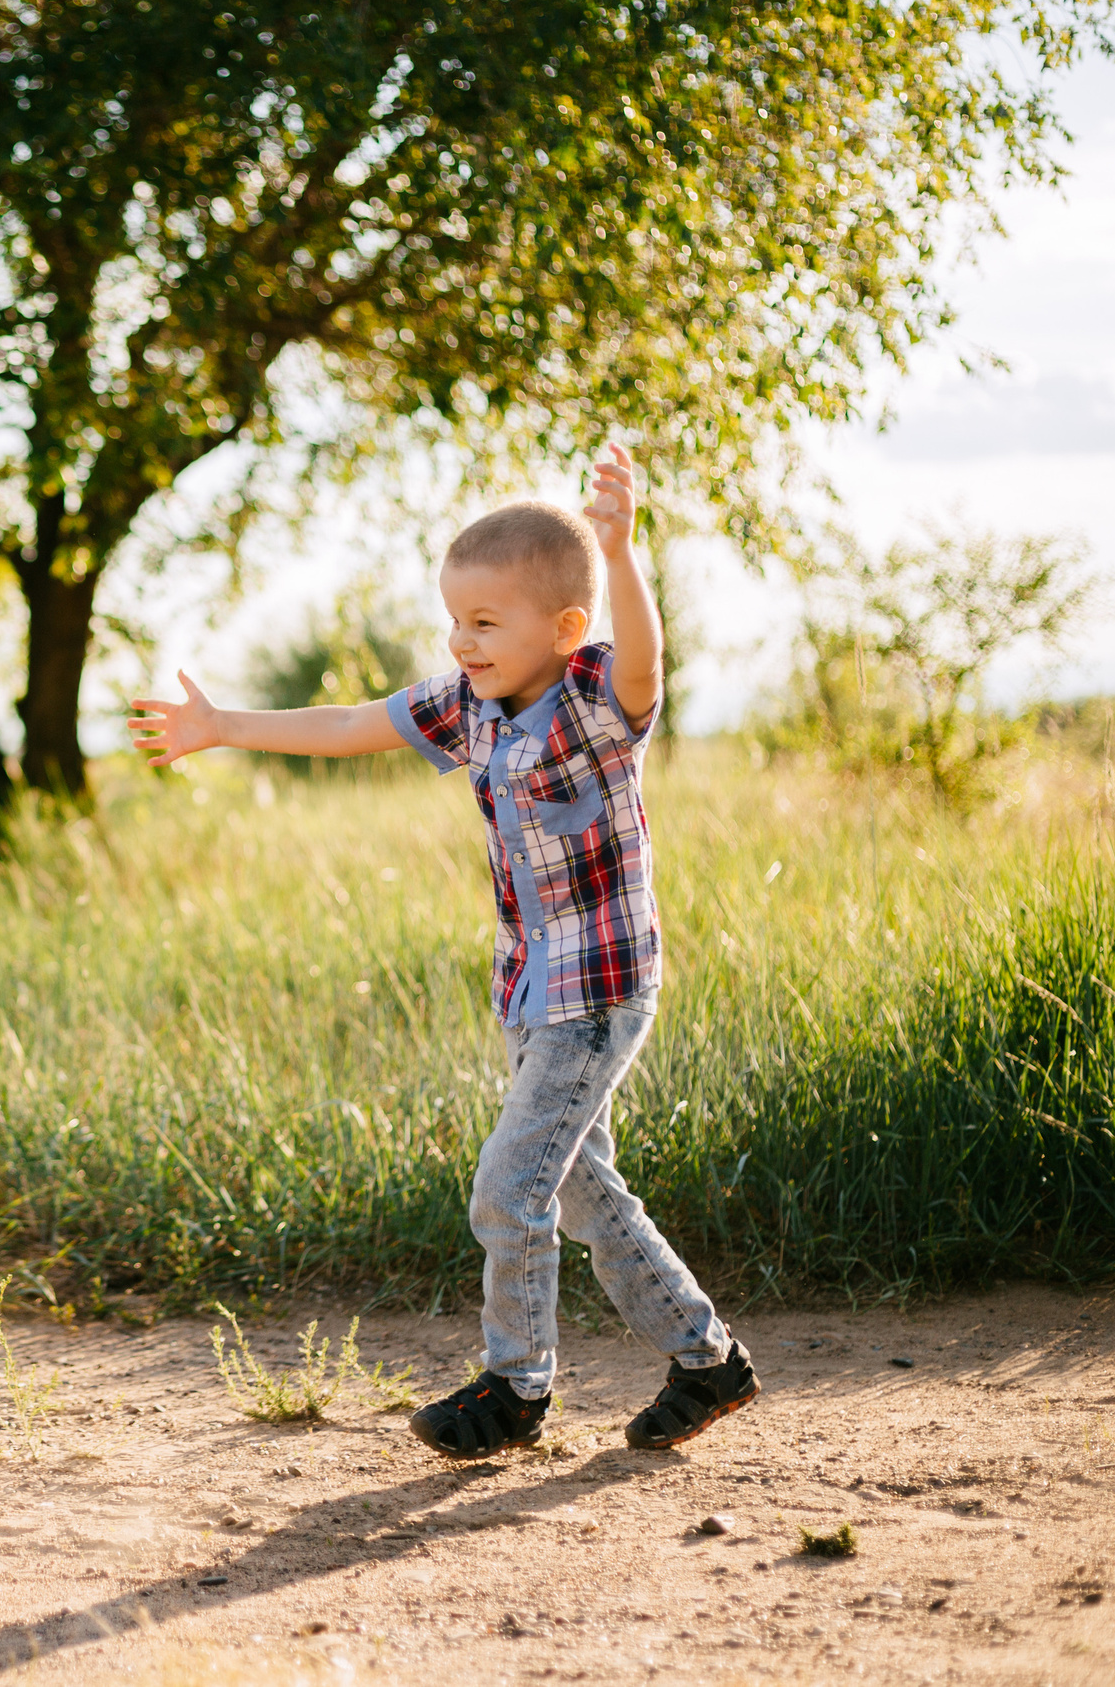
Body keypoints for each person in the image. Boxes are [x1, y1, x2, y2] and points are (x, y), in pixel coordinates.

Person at [126, 445, 758, 1458]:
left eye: (485, 621)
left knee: (509, 1189)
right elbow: (350, 722)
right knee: (583, 1191)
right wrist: (222, 725)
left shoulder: (595, 702)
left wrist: (619, 553)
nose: (461, 640)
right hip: (528, 990)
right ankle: (706, 1359)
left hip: (598, 993)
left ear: (564, 628)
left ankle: (515, 1387)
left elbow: (644, 661)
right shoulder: (467, 705)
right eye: (455, 618)